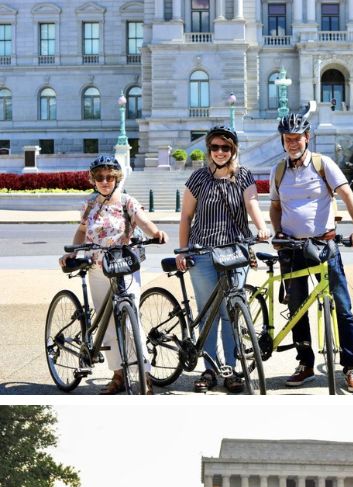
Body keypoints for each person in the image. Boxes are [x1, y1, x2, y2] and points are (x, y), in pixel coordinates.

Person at [268, 113, 353, 393]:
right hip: (292, 247)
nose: (292, 143)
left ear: (307, 138)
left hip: (324, 244)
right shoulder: (279, 171)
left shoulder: (323, 164)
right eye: (287, 139)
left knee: (342, 307)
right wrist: (276, 232)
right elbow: (275, 206)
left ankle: (350, 366)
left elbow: (347, 194)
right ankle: (306, 364)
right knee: (297, 309)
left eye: (297, 138)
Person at [59, 154, 169, 394]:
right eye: (100, 177)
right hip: (97, 268)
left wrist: (157, 232)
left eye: (110, 177)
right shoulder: (89, 204)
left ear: (117, 178)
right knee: (107, 325)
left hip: (124, 268)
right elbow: (81, 231)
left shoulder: (127, 201)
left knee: (131, 323)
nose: (105, 181)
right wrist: (73, 251)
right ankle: (118, 374)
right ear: (94, 180)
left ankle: (144, 374)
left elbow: (143, 221)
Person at [176, 125, 271, 393]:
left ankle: (229, 368)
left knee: (231, 313)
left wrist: (261, 227)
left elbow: (252, 204)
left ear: (233, 150)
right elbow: (186, 217)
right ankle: (208, 369)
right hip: (203, 252)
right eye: (215, 147)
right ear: (209, 150)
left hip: (235, 253)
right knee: (209, 314)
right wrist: (183, 249)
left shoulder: (243, 177)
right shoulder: (198, 178)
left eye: (225, 147)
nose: (219, 152)